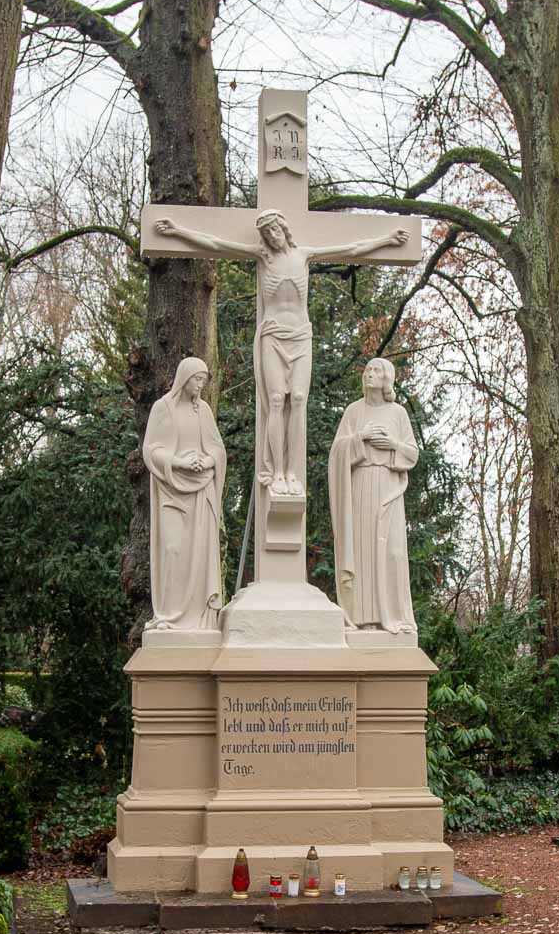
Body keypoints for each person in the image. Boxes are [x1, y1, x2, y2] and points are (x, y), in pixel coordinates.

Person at [152, 210, 407, 496]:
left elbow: (352, 248)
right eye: (266, 233)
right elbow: (214, 243)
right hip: (273, 335)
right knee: (276, 400)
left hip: (300, 336)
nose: (272, 237)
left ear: (284, 229)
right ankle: (276, 472)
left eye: (275, 230)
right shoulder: (263, 257)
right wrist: (176, 230)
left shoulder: (304, 255)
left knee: (297, 399)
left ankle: (291, 472)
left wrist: (387, 240)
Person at [328, 358, 419, 634]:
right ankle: (365, 618)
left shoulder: (398, 413)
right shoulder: (353, 411)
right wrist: (360, 437)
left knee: (393, 551)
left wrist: (391, 445)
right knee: (363, 549)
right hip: (360, 483)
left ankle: (396, 615)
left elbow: (412, 453)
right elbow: (336, 453)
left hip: (389, 486)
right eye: (367, 370)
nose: (369, 373)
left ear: (386, 378)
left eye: (376, 370)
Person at [141, 357, 226, 629]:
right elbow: (151, 450)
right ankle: (167, 616)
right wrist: (179, 462)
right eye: (197, 379)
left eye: (203, 381)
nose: (200, 385)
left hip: (201, 489)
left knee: (199, 556)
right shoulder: (162, 408)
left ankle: (198, 618)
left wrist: (207, 461)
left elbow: (217, 448)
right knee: (173, 550)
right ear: (184, 378)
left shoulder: (204, 411)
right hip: (172, 490)